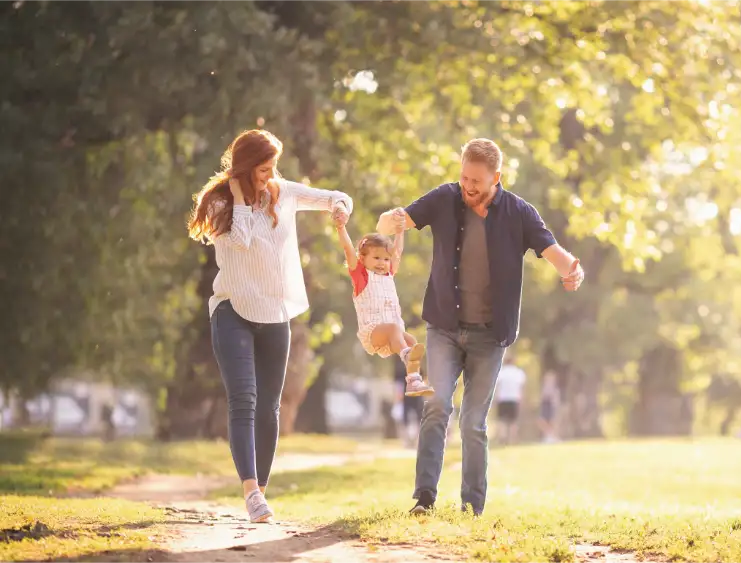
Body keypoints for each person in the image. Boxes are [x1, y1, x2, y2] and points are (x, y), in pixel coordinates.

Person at [376, 138, 584, 516]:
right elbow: (401, 219)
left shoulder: (519, 213)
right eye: (464, 177)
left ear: (497, 178)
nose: (468, 186)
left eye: (477, 180)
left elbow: (551, 248)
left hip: (490, 334)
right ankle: (424, 498)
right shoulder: (445, 198)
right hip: (444, 325)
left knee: (473, 422)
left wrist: (571, 269)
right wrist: (389, 223)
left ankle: (471, 506)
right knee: (437, 406)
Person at [186, 129, 353, 523]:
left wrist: (341, 208)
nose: (270, 174)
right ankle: (250, 492)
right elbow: (240, 239)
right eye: (263, 168)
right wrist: (241, 196)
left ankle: (261, 491)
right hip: (233, 312)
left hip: (276, 314)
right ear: (244, 168)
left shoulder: (283, 192)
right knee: (243, 398)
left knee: (269, 408)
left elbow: (335, 196)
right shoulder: (218, 205)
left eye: (273, 166)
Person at [332, 206, 434, 397]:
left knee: (411, 340)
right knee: (397, 333)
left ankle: (414, 381)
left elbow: (398, 252)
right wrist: (340, 228)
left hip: (390, 333)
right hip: (372, 332)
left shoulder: (388, 275)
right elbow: (347, 249)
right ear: (362, 259)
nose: (382, 263)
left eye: (386, 259)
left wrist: (399, 231)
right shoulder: (361, 276)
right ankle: (405, 356)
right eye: (376, 257)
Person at [494, 356, 527, 445]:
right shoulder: (518, 373)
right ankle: (512, 439)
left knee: (502, 420)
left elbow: (497, 386)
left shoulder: (501, 372)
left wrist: (495, 398)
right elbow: (521, 388)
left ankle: (502, 438)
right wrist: (521, 399)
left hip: (502, 398)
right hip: (514, 398)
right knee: (513, 420)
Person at [537, 372, 561, 443]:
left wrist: (556, 405)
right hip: (545, 405)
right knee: (541, 421)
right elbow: (541, 398)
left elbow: (556, 399)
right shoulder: (544, 388)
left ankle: (552, 437)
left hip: (551, 405)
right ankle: (549, 435)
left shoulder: (555, 389)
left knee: (552, 422)